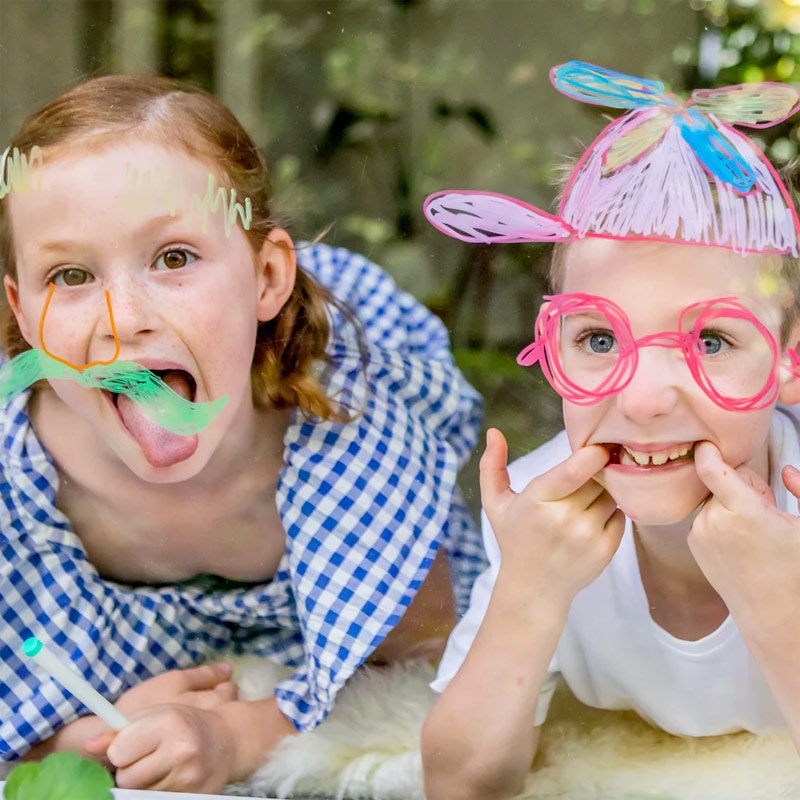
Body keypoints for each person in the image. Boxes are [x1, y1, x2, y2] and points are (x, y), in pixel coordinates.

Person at [0, 74, 485, 793]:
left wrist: (240, 735)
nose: (121, 318)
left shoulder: (345, 447)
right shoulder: (18, 490)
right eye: (69, 274)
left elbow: (440, 665)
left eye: (173, 257)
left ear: (265, 277)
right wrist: (87, 741)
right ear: (21, 309)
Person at [420, 61, 800, 800]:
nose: (645, 397)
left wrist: (781, 605)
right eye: (598, 340)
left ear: (788, 362)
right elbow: (459, 785)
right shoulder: (542, 517)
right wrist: (529, 591)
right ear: (550, 345)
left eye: (712, 342)